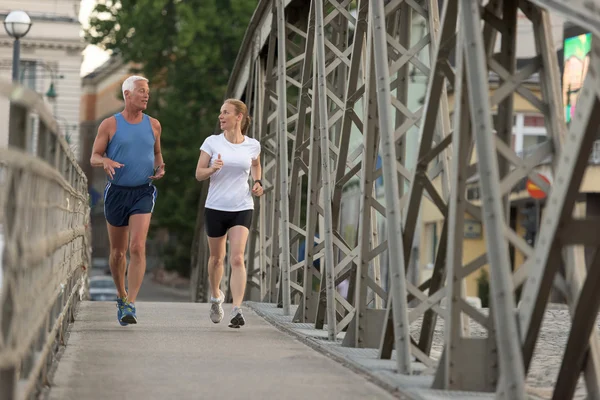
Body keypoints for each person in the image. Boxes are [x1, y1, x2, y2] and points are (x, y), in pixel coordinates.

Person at [90, 75, 165, 326]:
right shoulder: (110, 125)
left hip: (143, 191)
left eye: (148, 92)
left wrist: (160, 167)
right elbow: (94, 157)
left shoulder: (154, 124)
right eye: (142, 91)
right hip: (117, 193)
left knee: (137, 246)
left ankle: (130, 303)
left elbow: (156, 153)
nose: (146, 95)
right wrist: (105, 161)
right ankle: (121, 296)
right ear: (127, 94)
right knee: (118, 253)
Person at [195, 98, 263, 328]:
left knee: (236, 257)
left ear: (238, 117)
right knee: (216, 259)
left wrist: (258, 182)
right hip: (215, 207)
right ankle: (216, 297)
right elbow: (198, 174)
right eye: (220, 112)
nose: (220, 116)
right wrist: (212, 168)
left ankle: (236, 309)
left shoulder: (252, 145)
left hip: (242, 206)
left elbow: (255, 164)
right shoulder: (212, 142)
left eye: (225, 113)